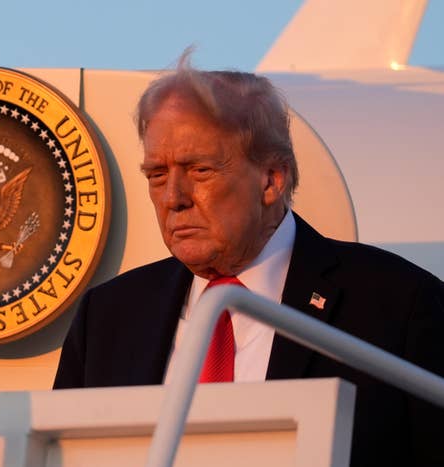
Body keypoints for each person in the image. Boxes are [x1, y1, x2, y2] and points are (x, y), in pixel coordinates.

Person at [53, 54, 444, 466]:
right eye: (157, 175)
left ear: (272, 179)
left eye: (199, 170)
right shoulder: (108, 317)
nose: (173, 198)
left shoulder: (399, 306)